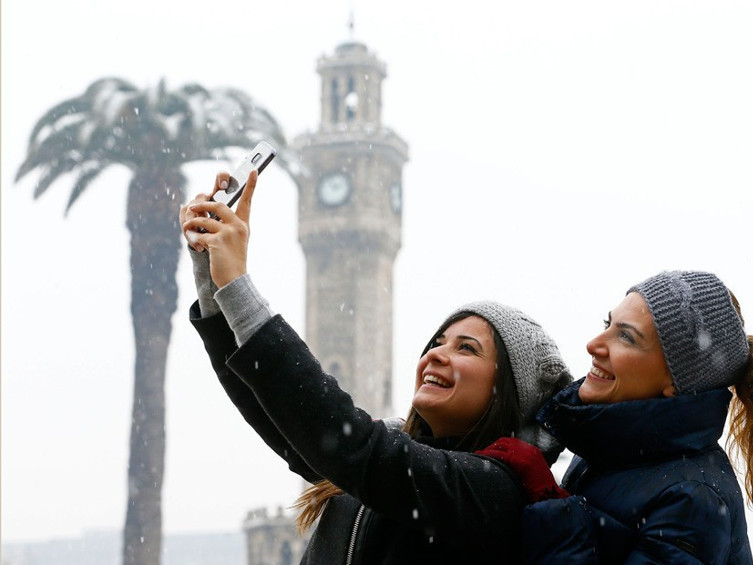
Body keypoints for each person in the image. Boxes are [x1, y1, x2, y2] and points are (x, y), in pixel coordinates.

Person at [180, 170, 573, 563]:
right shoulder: (382, 456)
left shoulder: (491, 489)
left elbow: (343, 439)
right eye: (437, 342)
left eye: (467, 349)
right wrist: (211, 279)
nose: (436, 354)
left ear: (508, 391)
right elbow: (276, 408)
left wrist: (237, 284)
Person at [521, 270, 753, 564]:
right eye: (607, 324)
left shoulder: (693, 498)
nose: (594, 344)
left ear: (676, 382)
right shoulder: (610, 451)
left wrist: (552, 506)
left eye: (626, 336)